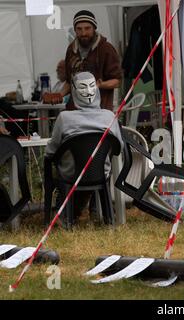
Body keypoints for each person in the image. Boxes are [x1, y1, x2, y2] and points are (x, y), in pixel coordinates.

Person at [45, 72, 123, 224]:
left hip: (71, 174)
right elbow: (118, 147)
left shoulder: (64, 118)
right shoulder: (109, 116)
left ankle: (61, 212)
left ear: (72, 92)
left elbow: (51, 151)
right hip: (101, 173)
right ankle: (97, 212)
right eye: (84, 87)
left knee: (55, 164)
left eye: (90, 86)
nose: (88, 91)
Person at [57, 10, 122, 111]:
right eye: (79, 29)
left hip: (100, 109)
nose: (83, 33)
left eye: (87, 28)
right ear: (75, 30)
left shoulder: (106, 49)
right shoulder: (71, 50)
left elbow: (117, 81)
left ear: (94, 28)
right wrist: (59, 95)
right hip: (75, 110)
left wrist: (99, 85)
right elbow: (70, 82)